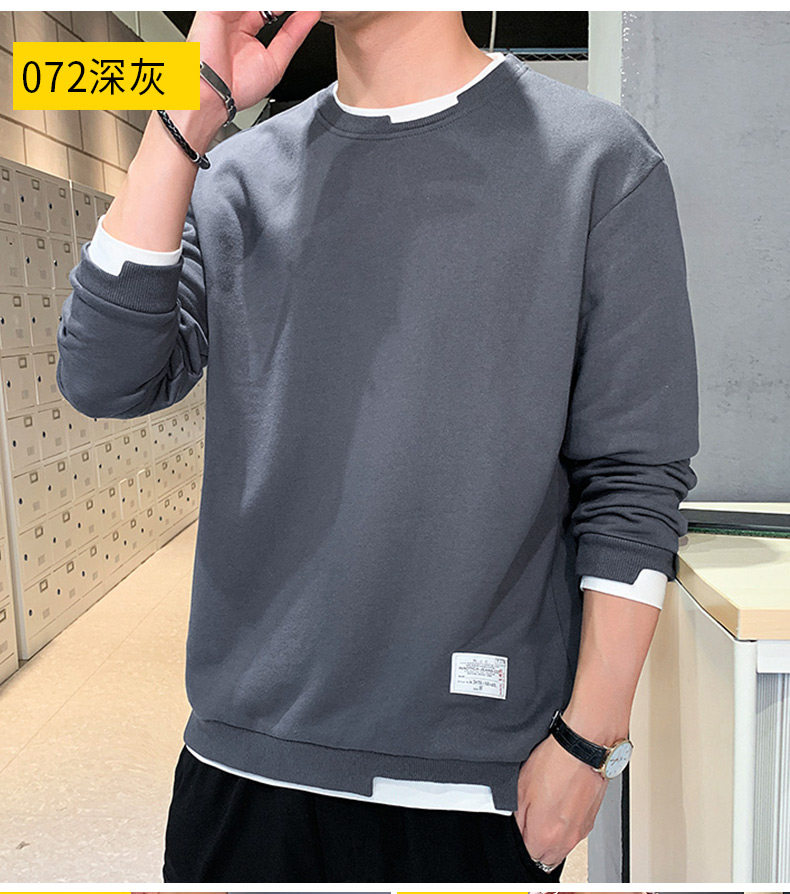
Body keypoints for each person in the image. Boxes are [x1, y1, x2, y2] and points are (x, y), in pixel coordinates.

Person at [56, 9, 700, 883]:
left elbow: (634, 476)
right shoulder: (238, 176)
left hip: (476, 782)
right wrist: (182, 123)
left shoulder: (596, 161)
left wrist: (591, 741)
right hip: (246, 768)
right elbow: (103, 377)